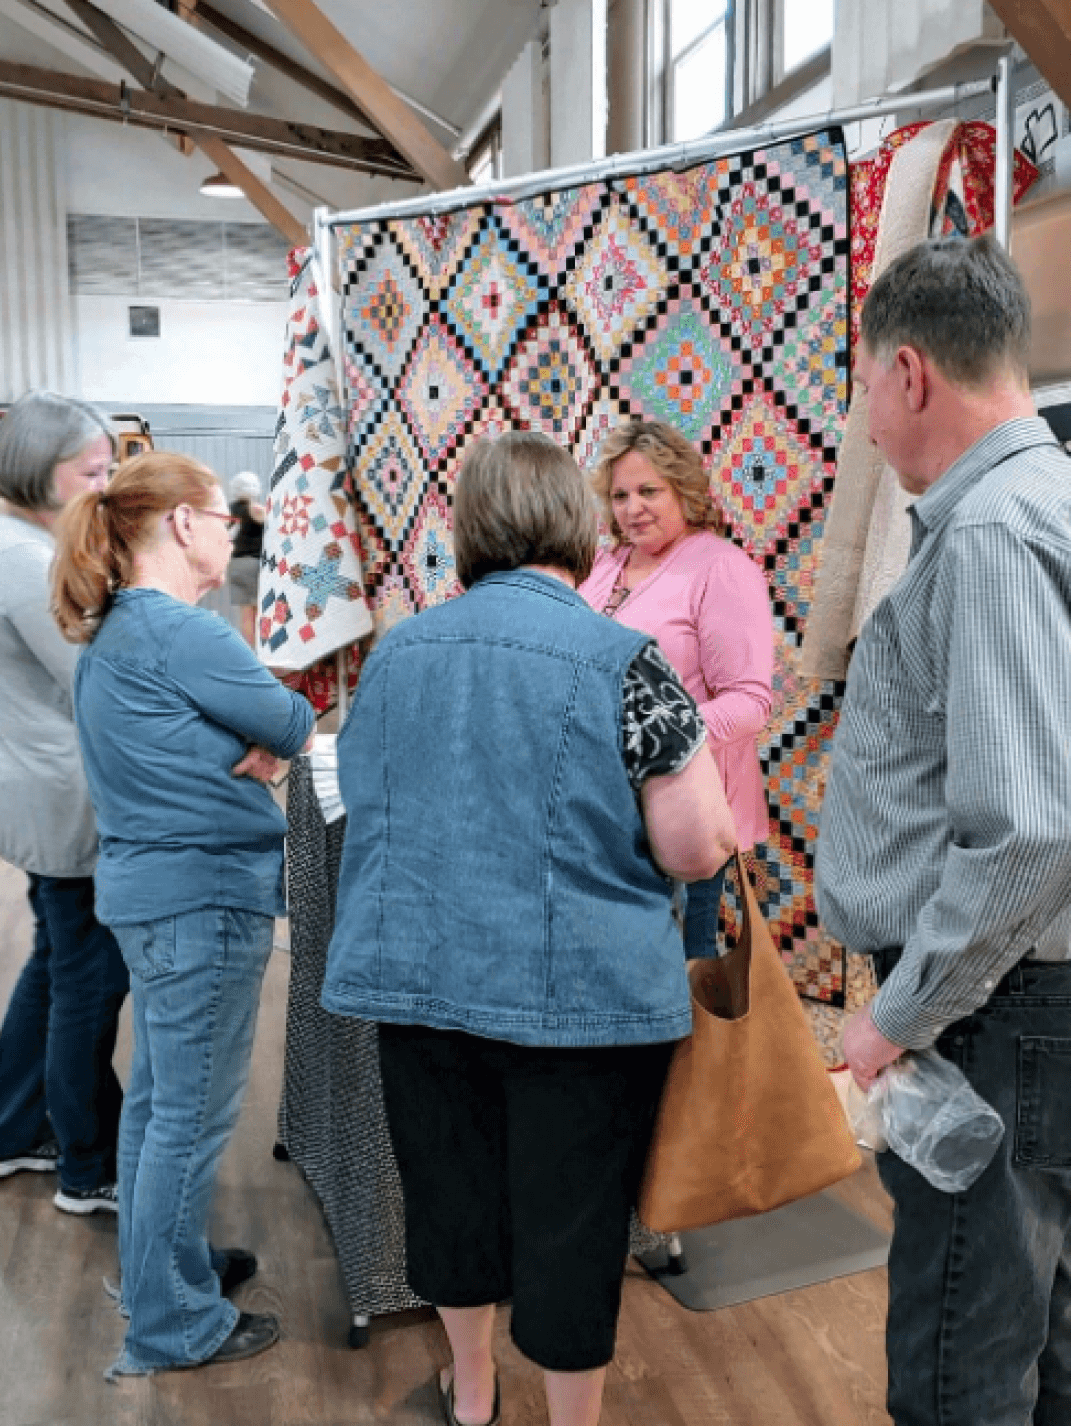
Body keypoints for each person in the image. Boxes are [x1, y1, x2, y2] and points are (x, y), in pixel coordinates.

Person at [320, 431, 738, 1426]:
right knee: (573, 1226)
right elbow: (692, 848)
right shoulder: (626, 663)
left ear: (468, 533)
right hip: (581, 1002)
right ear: (581, 532)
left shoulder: (394, 655)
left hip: (420, 982)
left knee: (450, 1199)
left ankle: (472, 1397)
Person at [818, 237, 1071, 1426]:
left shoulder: (994, 533)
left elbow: (1033, 827)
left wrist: (897, 1012)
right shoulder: (1066, 501)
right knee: (1034, 1310)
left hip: (1001, 1012)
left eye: (867, 385)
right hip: (1051, 996)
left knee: (961, 1358)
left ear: (910, 373)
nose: (867, 422)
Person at [52, 452, 316, 1374]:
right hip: (200, 899)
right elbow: (290, 720)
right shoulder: (180, 632)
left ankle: (161, 1269)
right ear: (179, 525)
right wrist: (264, 734)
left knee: (162, 1104)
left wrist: (251, 732)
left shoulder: (121, 631)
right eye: (220, 514)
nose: (233, 529)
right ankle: (173, 1322)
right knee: (188, 1117)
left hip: (156, 897)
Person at [0, 391, 131, 1218]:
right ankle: (87, 1164)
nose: (105, 484)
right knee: (87, 988)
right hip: (64, 800)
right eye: (91, 472)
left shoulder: (9, 537)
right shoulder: (22, 558)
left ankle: (6, 1131)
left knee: (57, 971)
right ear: (40, 470)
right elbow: (96, 676)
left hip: (40, 788)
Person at [578, 418, 775, 958]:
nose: (632, 508)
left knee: (682, 972)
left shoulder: (721, 568)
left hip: (687, 803)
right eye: (620, 495)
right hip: (613, 806)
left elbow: (751, 702)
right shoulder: (604, 566)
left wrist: (652, 743)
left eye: (648, 491)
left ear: (682, 490)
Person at [225, 472, 267, 645]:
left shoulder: (229, 510)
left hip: (234, 565)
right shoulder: (256, 509)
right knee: (257, 613)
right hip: (253, 564)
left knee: (245, 614)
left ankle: (248, 653)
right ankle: (257, 654)